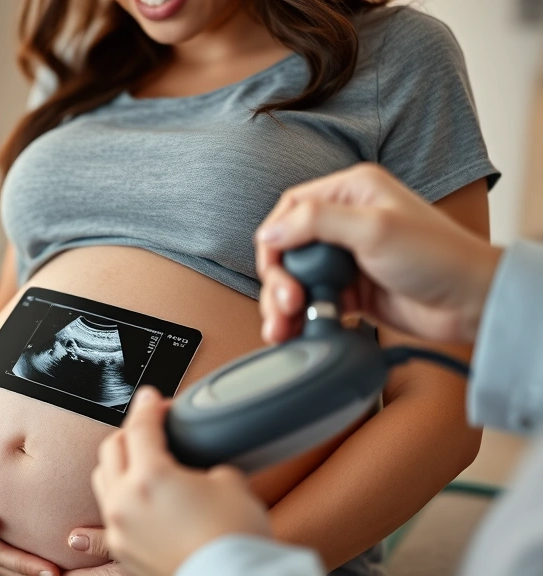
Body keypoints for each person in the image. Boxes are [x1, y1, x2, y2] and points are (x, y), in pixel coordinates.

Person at [0, 1, 499, 574]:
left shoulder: (394, 56)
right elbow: (15, 295)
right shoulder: (80, 69)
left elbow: (443, 399)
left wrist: (217, 558)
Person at [89, 163, 543, 576]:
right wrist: (485, 288)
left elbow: (440, 411)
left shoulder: (398, 78)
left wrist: (214, 558)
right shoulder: (71, 77)